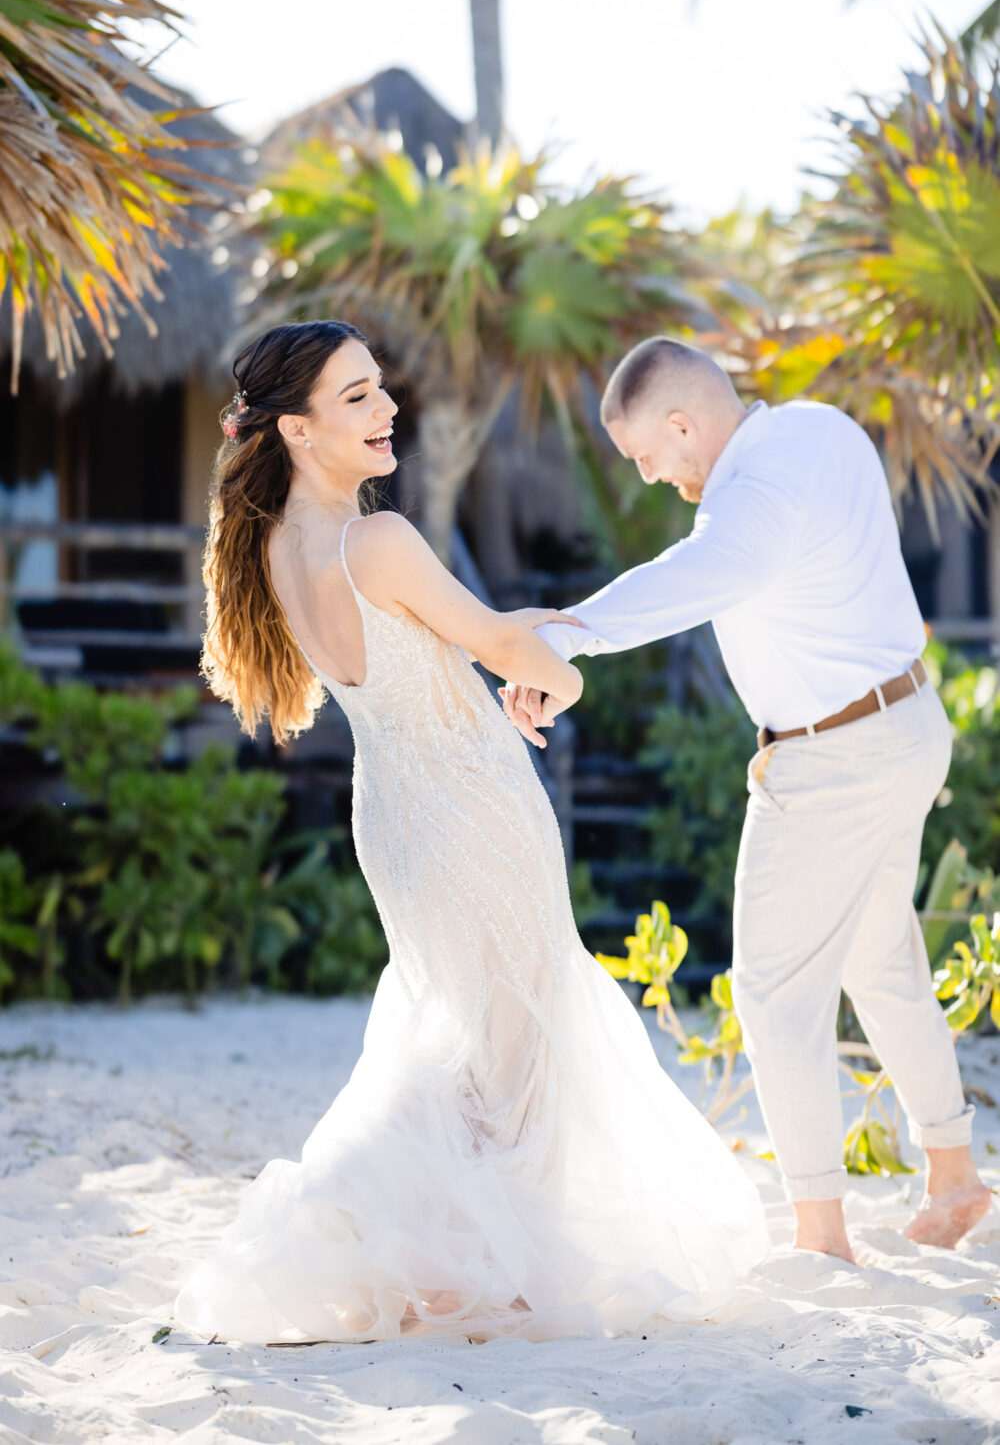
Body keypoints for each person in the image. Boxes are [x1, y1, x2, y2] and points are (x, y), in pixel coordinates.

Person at [172, 320, 769, 1345]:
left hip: (398, 816)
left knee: (466, 1040)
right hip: (471, 809)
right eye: (356, 397)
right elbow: (495, 645)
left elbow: (453, 643)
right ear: (298, 431)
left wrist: (523, 645)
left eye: (378, 387)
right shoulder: (379, 541)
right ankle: (485, 1268)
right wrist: (559, 681)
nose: (386, 408)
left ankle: (468, 1259)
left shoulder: (275, 549)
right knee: (514, 1049)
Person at [505, 336, 992, 1264]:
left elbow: (694, 578)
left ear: (683, 425)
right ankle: (953, 1172)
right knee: (880, 958)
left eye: (648, 455)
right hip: (907, 728)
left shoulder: (750, 498)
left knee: (772, 994)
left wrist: (564, 636)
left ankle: (821, 1237)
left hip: (833, 762)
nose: (650, 478)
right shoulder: (821, 428)